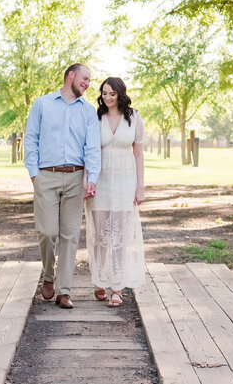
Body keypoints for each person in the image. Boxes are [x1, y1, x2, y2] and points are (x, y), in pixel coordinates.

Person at [23, 63, 101, 308]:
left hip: (76, 178)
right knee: (46, 232)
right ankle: (48, 275)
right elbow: (31, 139)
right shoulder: (42, 104)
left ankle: (64, 290)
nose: (88, 83)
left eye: (89, 80)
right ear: (71, 75)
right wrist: (35, 174)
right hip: (46, 176)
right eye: (85, 78)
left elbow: (92, 148)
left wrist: (92, 179)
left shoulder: (88, 112)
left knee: (70, 235)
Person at [84, 76, 146, 307]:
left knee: (119, 235)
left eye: (112, 93)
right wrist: (86, 181)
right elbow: (87, 151)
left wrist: (140, 187)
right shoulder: (95, 117)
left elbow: (139, 155)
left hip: (125, 181)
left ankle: (117, 288)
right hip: (99, 181)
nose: (107, 97)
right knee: (101, 236)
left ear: (121, 93)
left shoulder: (134, 118)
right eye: (104, 93)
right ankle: (99, 279)